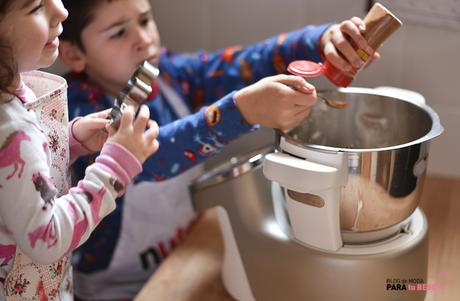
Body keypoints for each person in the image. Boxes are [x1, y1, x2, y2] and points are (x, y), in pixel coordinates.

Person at [58, 0, 379, 300]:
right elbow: (146, 158)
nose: (144, 38)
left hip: (184, 252)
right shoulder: (76, 117)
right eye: (118, 33)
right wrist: (240, 112)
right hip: (114, 290)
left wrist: (320, 39)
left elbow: (248, 62)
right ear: (73, 54)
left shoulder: (171, 75)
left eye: (145, 19)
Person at [0, 0, 159, 300]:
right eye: (36, 7)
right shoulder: (9, 128)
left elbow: (14, 183)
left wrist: (69, 140)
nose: (61, 11)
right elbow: (48, 236)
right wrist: (115, 170)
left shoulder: (13, 88)